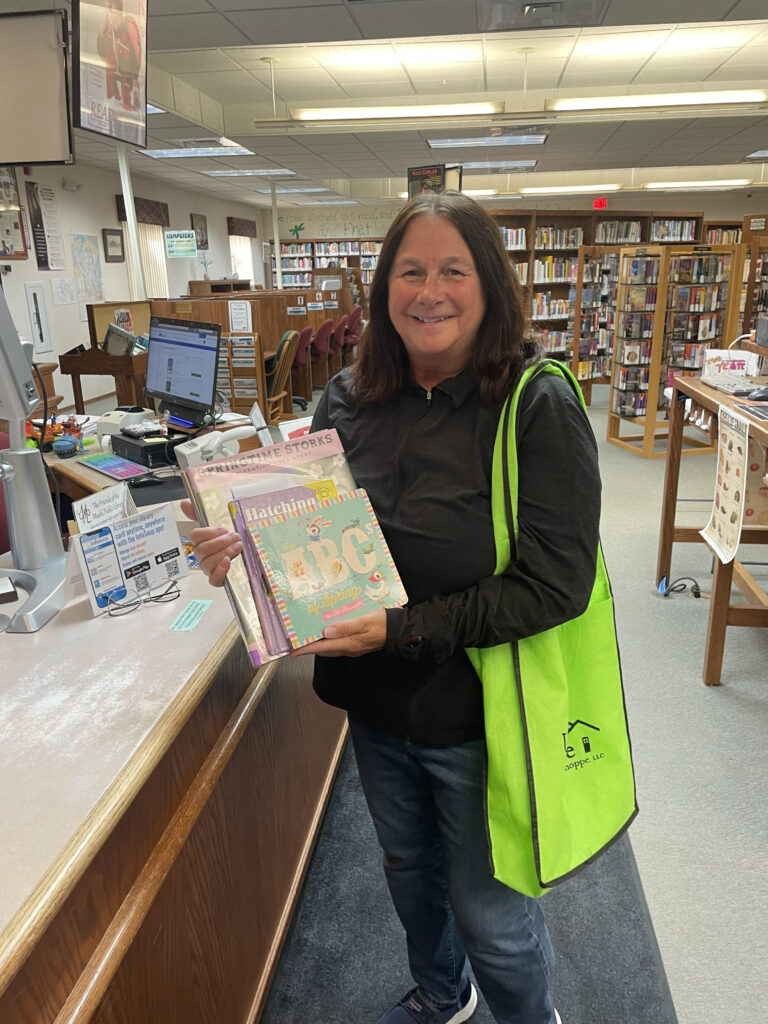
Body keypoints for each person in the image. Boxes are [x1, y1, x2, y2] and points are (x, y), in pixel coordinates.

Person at [182, 191, 601, 1024]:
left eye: (454, 269)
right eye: (410, 271)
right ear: (383, 288)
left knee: (492, 909)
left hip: (481, 713)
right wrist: (241, 552)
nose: (430, 291)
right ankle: (443, 994)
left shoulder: (535, 403)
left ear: (491, 285)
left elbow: (559, 583)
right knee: (408, 872)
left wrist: (404, 630)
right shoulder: (347, 396)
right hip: (375, 706)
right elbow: (315, 534)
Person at [96, 0, 142, 111]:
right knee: (111, 65)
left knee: (127, 79)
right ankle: (115, 93)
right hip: (119, 62)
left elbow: (136, 49)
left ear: (120, 13)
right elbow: (102, 48)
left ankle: (130, 99)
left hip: (130, 63)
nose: (113, 16)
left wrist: (137, 70)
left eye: (115, 13)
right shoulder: (110, 27)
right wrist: (105, 34)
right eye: (111, 13)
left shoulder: (128, 25)